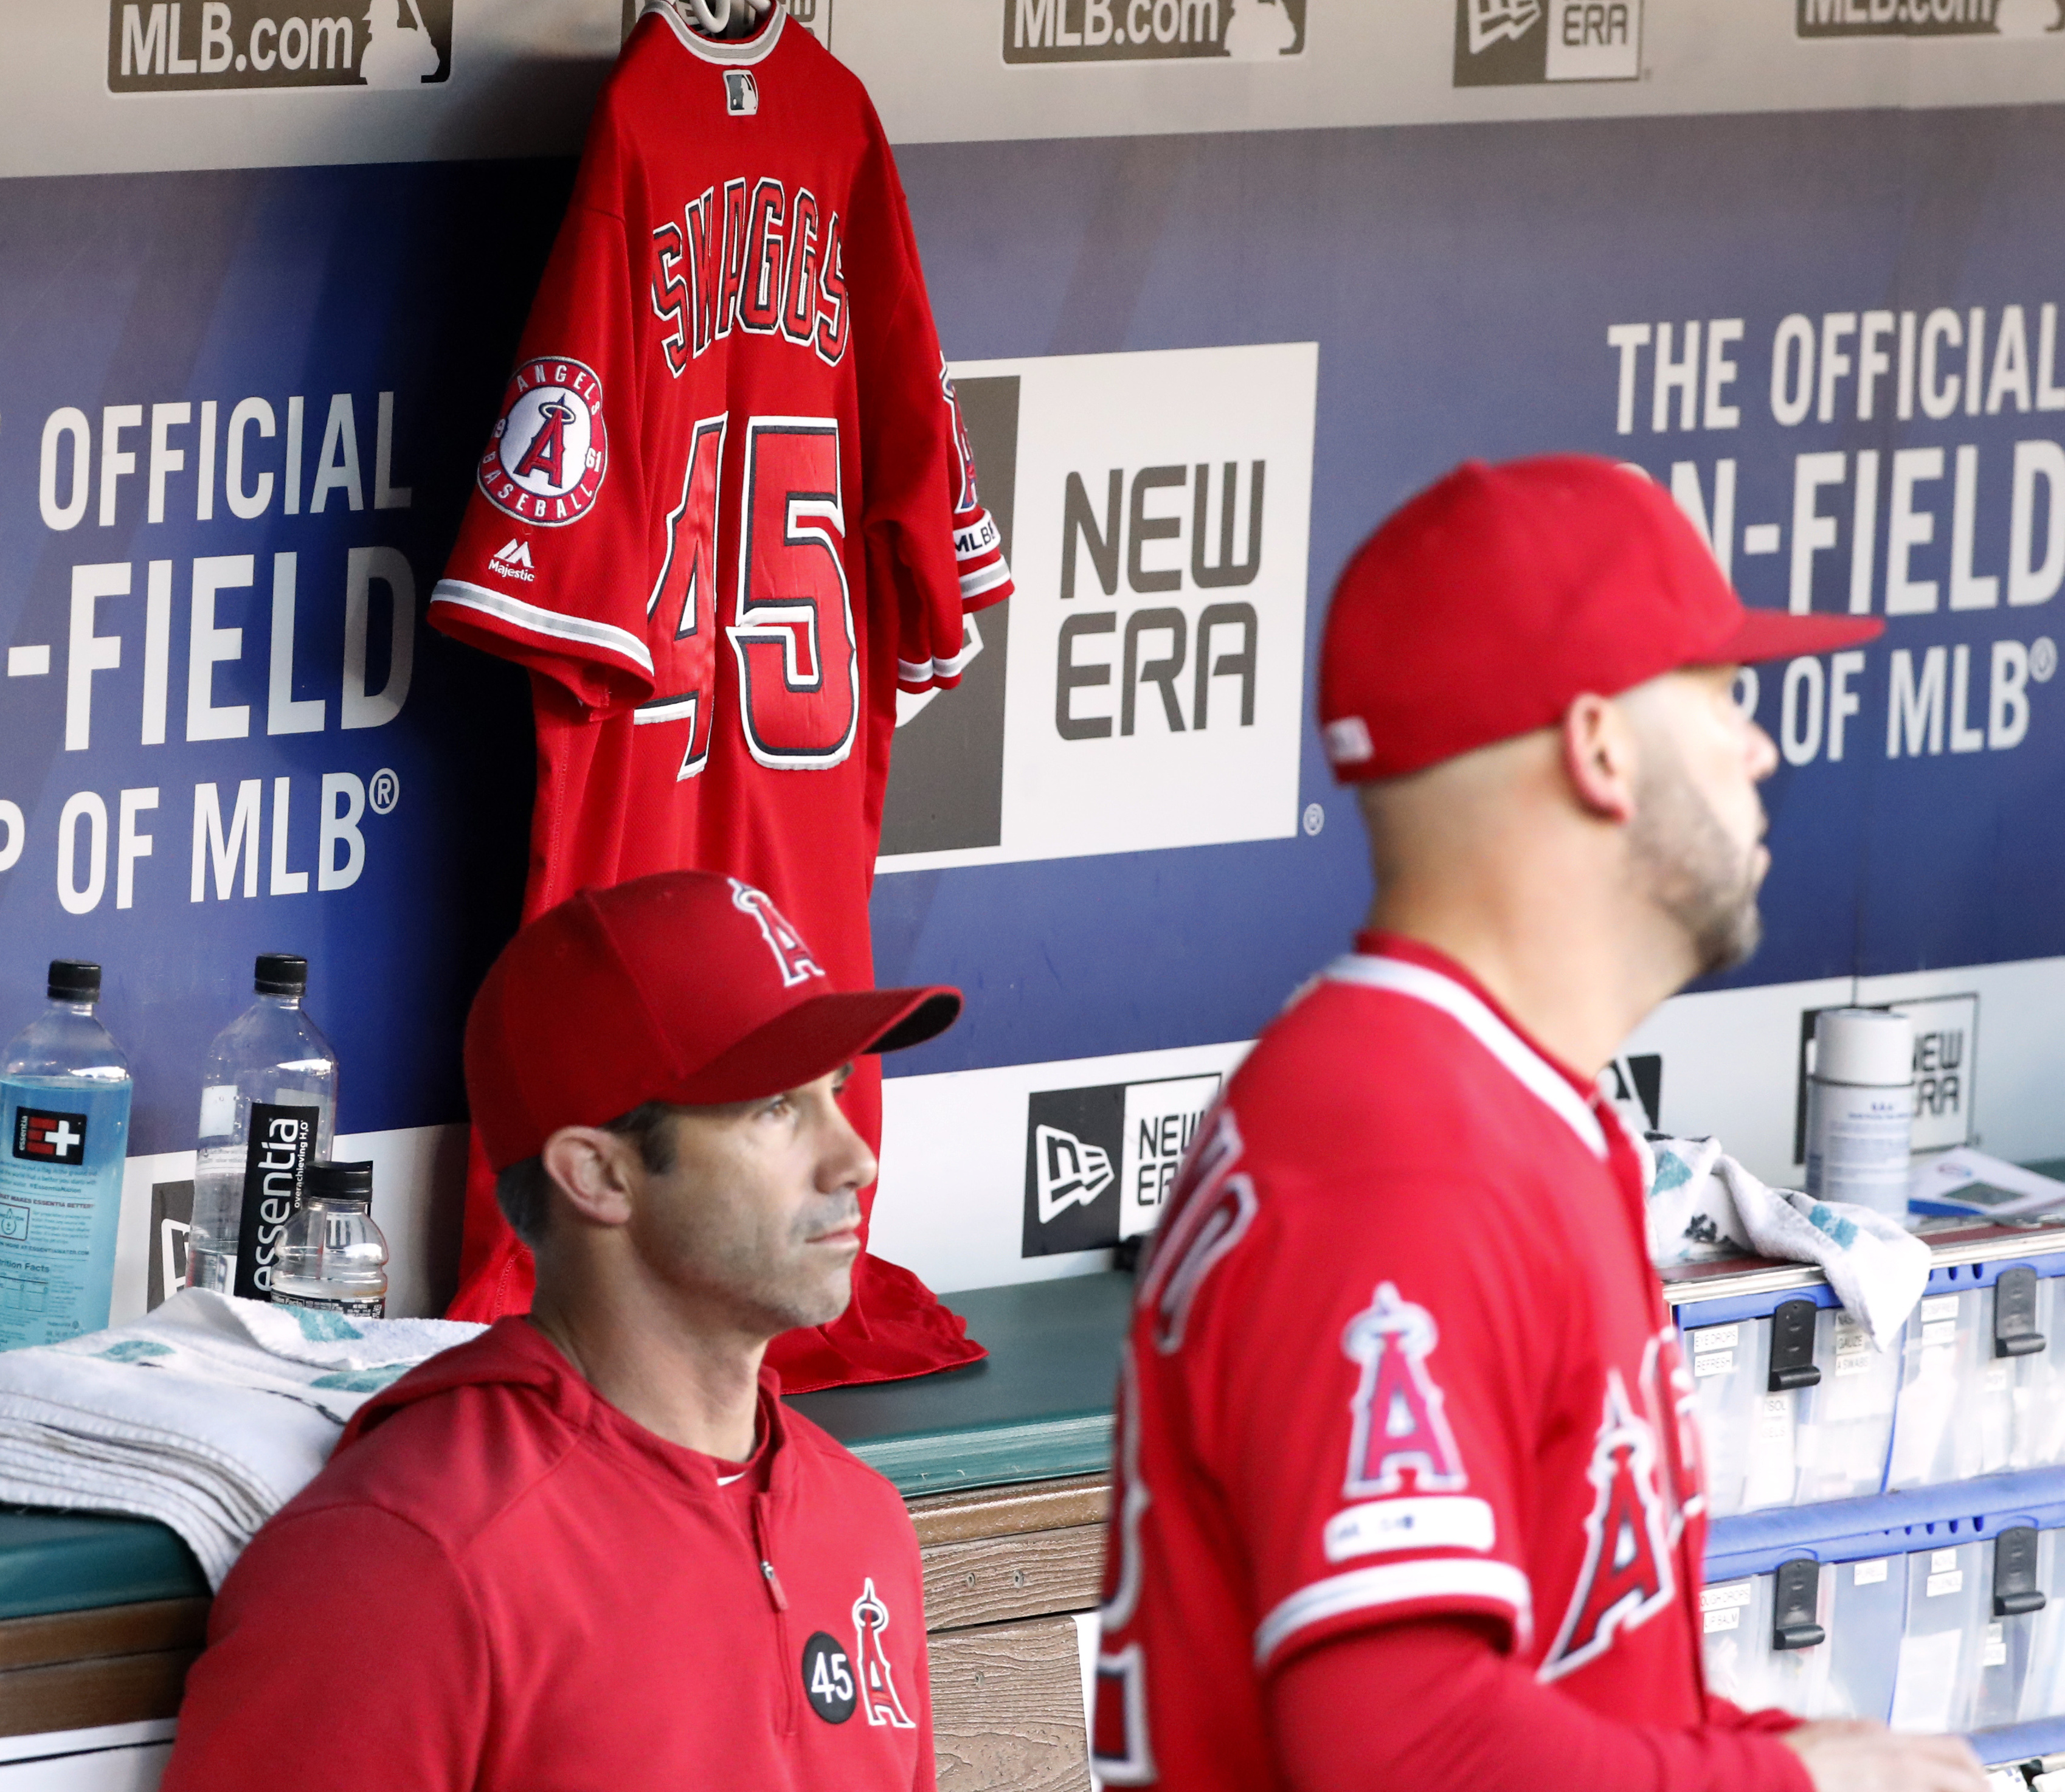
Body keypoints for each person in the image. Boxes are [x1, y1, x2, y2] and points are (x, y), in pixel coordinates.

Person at [1091, 455, 1987, 1792]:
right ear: (1600, 748)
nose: (1764, 747)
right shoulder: (1399, 1146)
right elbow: (1402, 1750)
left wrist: (1784, 1746)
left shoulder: (1492, 1102)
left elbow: (1563, 1674)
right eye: (1723, 695)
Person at [165, 869, 963, 1791]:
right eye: (776, 1109)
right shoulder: (408, 1557)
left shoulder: (860, 1522)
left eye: (836, 1089)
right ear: (599, 1176)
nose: (853, 1156)